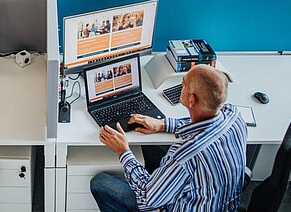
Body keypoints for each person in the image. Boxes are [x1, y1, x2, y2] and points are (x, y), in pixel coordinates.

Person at [90, 64, 247, 212]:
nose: (181, 86)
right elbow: (208, 122)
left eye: (183, 84)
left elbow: (147, 200)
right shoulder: (234, 116)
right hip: (221, 204)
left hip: (173, 205)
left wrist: (123, 151)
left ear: (192, 100)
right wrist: (162, 124)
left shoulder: (185, 155)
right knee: (150, 149)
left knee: (100, 183)